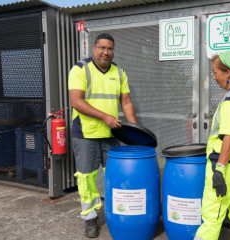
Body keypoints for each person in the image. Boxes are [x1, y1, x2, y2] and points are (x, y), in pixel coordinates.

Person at [68, 33, 137, 238]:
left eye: (110, 48)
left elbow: (126, 102)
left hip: (111, 134)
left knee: (115, 176)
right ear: (94, 48)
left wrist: (135, 131)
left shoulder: (119, 72)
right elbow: (76, 102)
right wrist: (105, 116)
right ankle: (90, 217)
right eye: (102, 48)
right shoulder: (80, 69)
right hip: (85, 133)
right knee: (87, 178)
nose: (106, 52)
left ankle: (117, 212)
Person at [194, 51, 230, 240]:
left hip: (227, 165)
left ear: (227, 72)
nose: (213, 77)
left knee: (212, 215)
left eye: (215, 72)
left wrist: (219, 169)